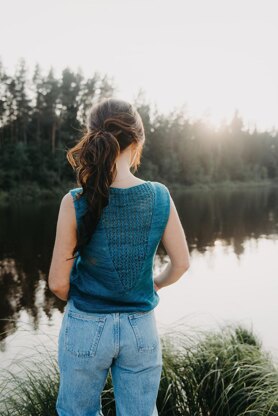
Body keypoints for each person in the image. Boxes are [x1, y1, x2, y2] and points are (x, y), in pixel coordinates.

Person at [48, 97, 190, 416]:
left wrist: (91, 300)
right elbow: (180, 264)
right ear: (138, 140)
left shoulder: (74, 201)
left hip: (86, 322)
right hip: (140, 327)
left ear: (91, 136)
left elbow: (58, 284)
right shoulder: (159, 195)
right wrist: (155, 284)